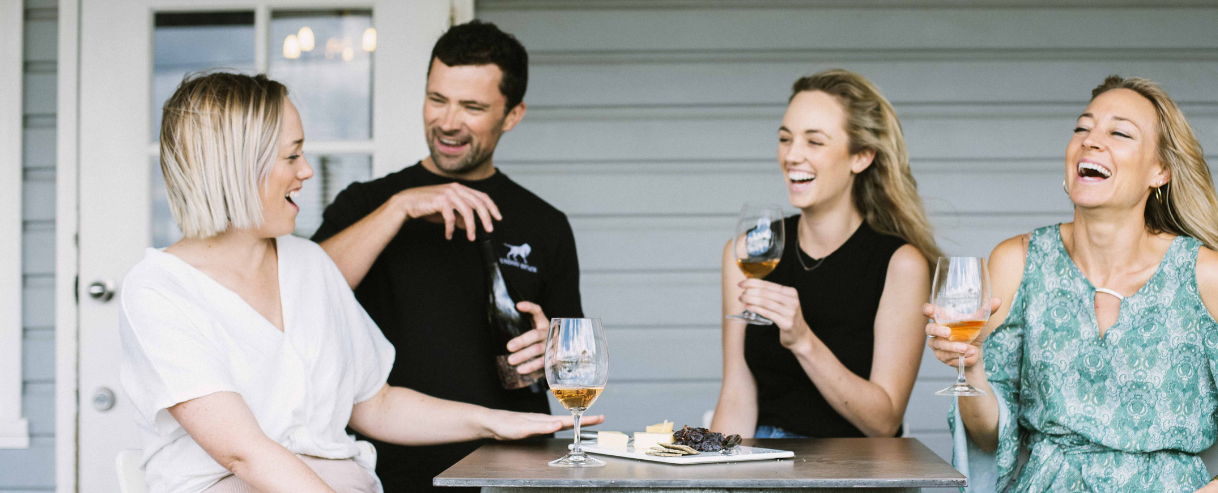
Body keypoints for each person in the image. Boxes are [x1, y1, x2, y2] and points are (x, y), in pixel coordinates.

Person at [120, 72, 599, 493]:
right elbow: (243, 454)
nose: (307, 171)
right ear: (236, 169)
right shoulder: (161, 289)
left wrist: (493, 423)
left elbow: (375, 404)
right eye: (292, 156)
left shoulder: (307, 264)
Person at [930, 76, 1218, 492]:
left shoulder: (1205, 276)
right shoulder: (1019, 261)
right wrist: (971, 369)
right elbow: (989, 436)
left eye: (1119, 132)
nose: (1090, 141)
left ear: (1160, 171)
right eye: (1082, 128)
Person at [309, 21, 582, 491]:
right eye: (437, 100)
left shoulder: (546, 223)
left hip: (511, 471)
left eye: (472, 107)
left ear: (512, 115)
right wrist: (399, 208)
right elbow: (301, 295)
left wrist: (552, 354)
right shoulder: (365, 203)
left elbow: (575, 362)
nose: (448, 121)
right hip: (386, 468)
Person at [709, 69, 940, 439]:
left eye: (814, 142)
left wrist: (803, 341)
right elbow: (737, 397)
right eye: (785, 139)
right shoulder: (747, 252)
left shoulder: (900, 264)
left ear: (861, 156)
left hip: (856, 472)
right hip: (765, 468)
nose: (792, 155)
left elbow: (884, 423)